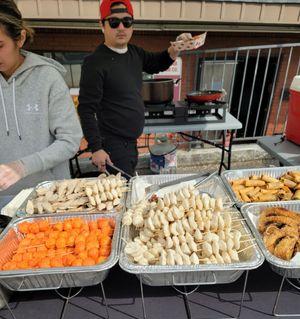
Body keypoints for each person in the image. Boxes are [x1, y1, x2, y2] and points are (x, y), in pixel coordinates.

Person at [78, 0, 191, 176]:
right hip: (112, 146)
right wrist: (96, 148)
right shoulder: (94, 63)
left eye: (127, 21)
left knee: (127, 187)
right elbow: (86, 109)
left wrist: (176, 48)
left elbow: (156, 63)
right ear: (102, 25)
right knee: (120, 196)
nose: (121, 27)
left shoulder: (134, 52)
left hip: (131, 143)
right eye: (114, 22)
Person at [0, 0, 82, 195]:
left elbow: (70, 140)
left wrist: (22, 166)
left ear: (19, 38)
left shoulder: (47, 78)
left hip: (50, 197)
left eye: (0, 45)